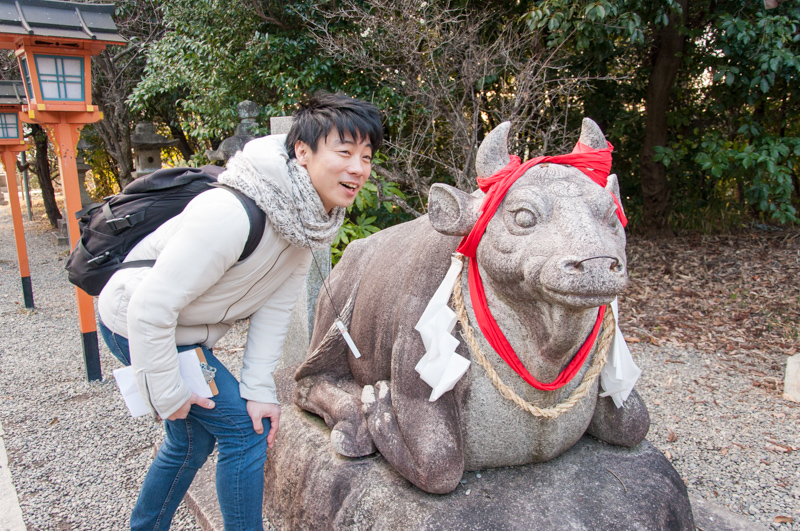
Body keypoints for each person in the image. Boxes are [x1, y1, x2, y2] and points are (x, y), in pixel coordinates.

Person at [97, 92, 382, 530]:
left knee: (190, 444)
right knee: (245, 436)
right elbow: (150, 308)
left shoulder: (306, 223)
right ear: (302, 152)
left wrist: (259, 390)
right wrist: (169, 392)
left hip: (184, 329)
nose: (358, 168)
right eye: (344, 152)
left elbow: (275, 308)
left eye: (366, 156)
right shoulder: (233, 212)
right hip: (134, 318)